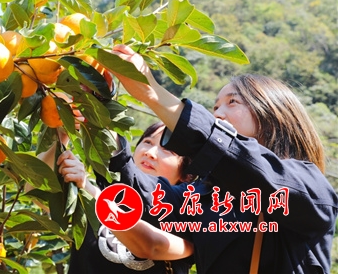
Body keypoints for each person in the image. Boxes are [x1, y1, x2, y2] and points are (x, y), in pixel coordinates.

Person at [105, 44, 338, 273]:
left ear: (272, 114)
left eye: (232, 102)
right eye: (215, 107)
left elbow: (243, 160)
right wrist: (99, 112)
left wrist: (152, 92)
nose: (217, 114)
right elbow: (144, 196)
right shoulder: (206, 198)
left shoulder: (309, 187)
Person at [37, 122, 194, 273]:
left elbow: (152, 246)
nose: (150, 153)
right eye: (147, 142)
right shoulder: (94, 194)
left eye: (168, 150)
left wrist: (90, 190)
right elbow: (38, 194)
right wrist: (61, 132)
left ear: (185, 174)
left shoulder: (188, 223)